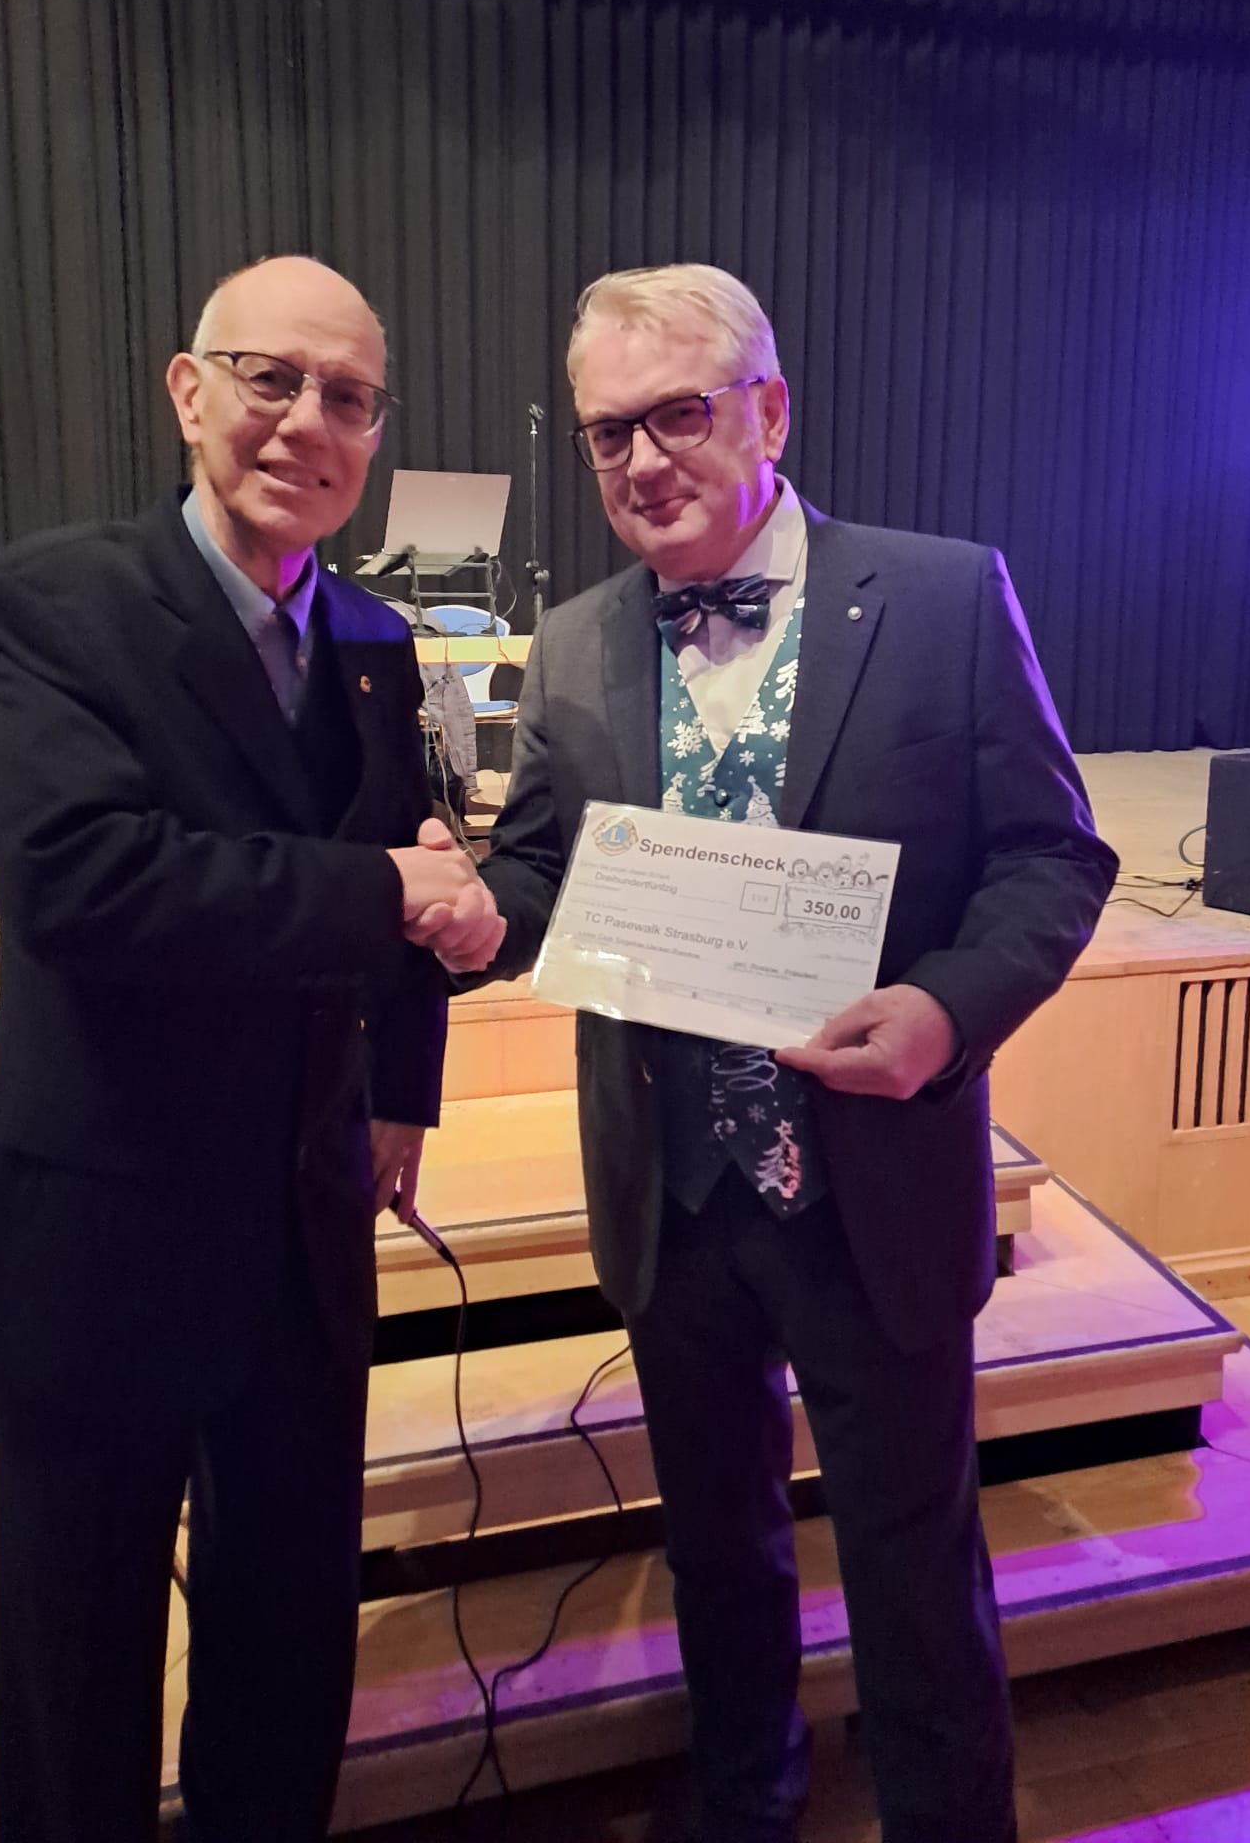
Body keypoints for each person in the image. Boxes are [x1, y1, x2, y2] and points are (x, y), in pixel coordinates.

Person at [430, 264, 1118, 1843]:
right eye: (609, 433)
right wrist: (481, 916)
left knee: (911, 1562)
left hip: (872, 1181)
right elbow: (543, 872)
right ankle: (746, 1805)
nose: (641, 460)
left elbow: (1052, 858)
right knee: (718, 1551)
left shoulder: (944, 598)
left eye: (678, 413)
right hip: (672, 1194)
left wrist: (945, 1010)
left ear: (772, 411)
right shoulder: (578, 639)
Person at [0, 255, 501, 1843]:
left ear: (374, 438)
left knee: (285, 1650)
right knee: (75, 1682)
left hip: (301, 1229)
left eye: (350, 398)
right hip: (103, 1230)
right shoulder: (48, 603)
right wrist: (386, 891)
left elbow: (409, 855)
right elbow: (84, 885)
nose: (307, 422)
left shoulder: (376, 641)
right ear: (189, 392)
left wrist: (403, 1091)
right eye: (272, 378)